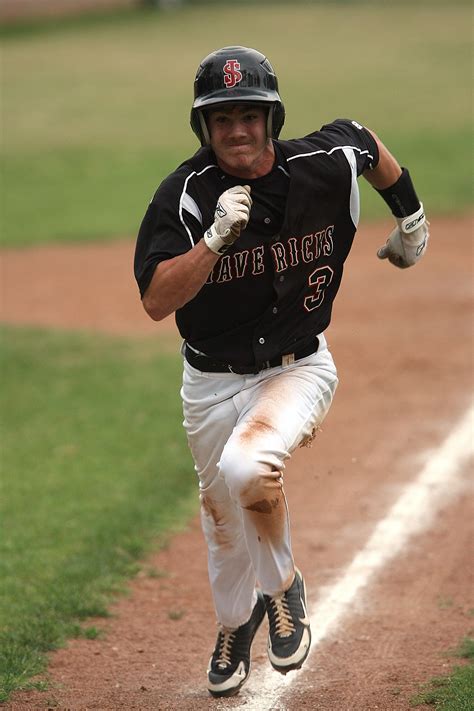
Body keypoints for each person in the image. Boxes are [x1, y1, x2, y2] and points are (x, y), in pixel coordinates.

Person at [134, 46, 429, 698]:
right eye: (222, 119)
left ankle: (284, 587)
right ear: (203, 127)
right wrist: (211, 241)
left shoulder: (318, 165)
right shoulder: (186, 195)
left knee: (249, 467)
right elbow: (157, 298)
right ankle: (235, 626)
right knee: (224, 522)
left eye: (250, 114)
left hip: (298, 368)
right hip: (210, 383)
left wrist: (410, 216)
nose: (237, 130)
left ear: (272, 117)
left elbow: (362, 140)